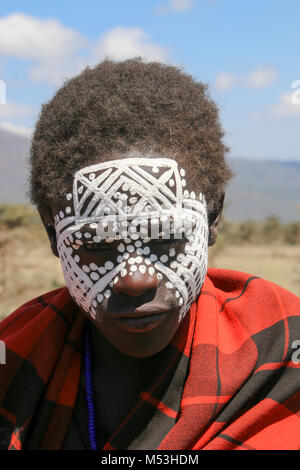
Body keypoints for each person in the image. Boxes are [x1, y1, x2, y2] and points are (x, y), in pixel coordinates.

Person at [0, 58, 299, 451]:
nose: (135, 279)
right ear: (52, 232)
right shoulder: (13, 355)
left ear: (212, 218)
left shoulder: (282, 349)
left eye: (166, 239)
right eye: (96, 245)